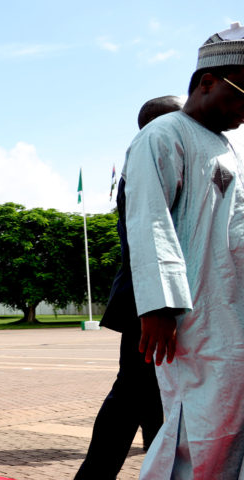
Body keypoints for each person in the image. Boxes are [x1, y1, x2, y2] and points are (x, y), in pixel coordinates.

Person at [123, 23, 244, 478]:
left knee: (227, 426)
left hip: (230, 310)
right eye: (242, 96)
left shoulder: (225, 146)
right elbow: (149, 221)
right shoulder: (164, 135)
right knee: (197, 428)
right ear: (207, 82)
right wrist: (159, 305)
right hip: (190, 316)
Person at [73, 95, 182, 480]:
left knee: (150, 400)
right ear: (158, 125)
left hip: (156, 301)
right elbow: (146, 238)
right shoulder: (144, 163)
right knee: (133, 396)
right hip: (149, 304)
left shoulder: (163, 161)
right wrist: (158, 304)